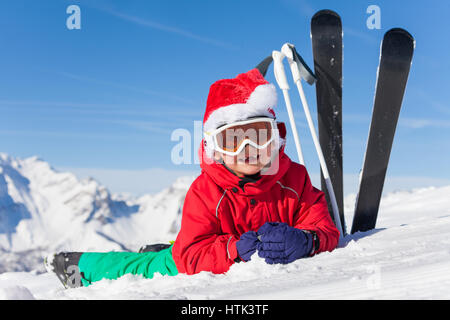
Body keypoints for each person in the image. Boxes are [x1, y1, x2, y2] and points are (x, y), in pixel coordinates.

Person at [45, 68, 339, 288]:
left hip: (203, 247)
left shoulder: (295, 179)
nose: (249, 150)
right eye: (233, 140)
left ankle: (165, 247)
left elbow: (323, 226)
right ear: (216, 149)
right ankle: (79, 264)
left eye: (259, 136)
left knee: (175, 249)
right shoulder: (206, 191)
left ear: (275, 138)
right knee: (146, 269)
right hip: (193, 258)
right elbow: (190, 255)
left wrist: (306, 240)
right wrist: (233, 249)